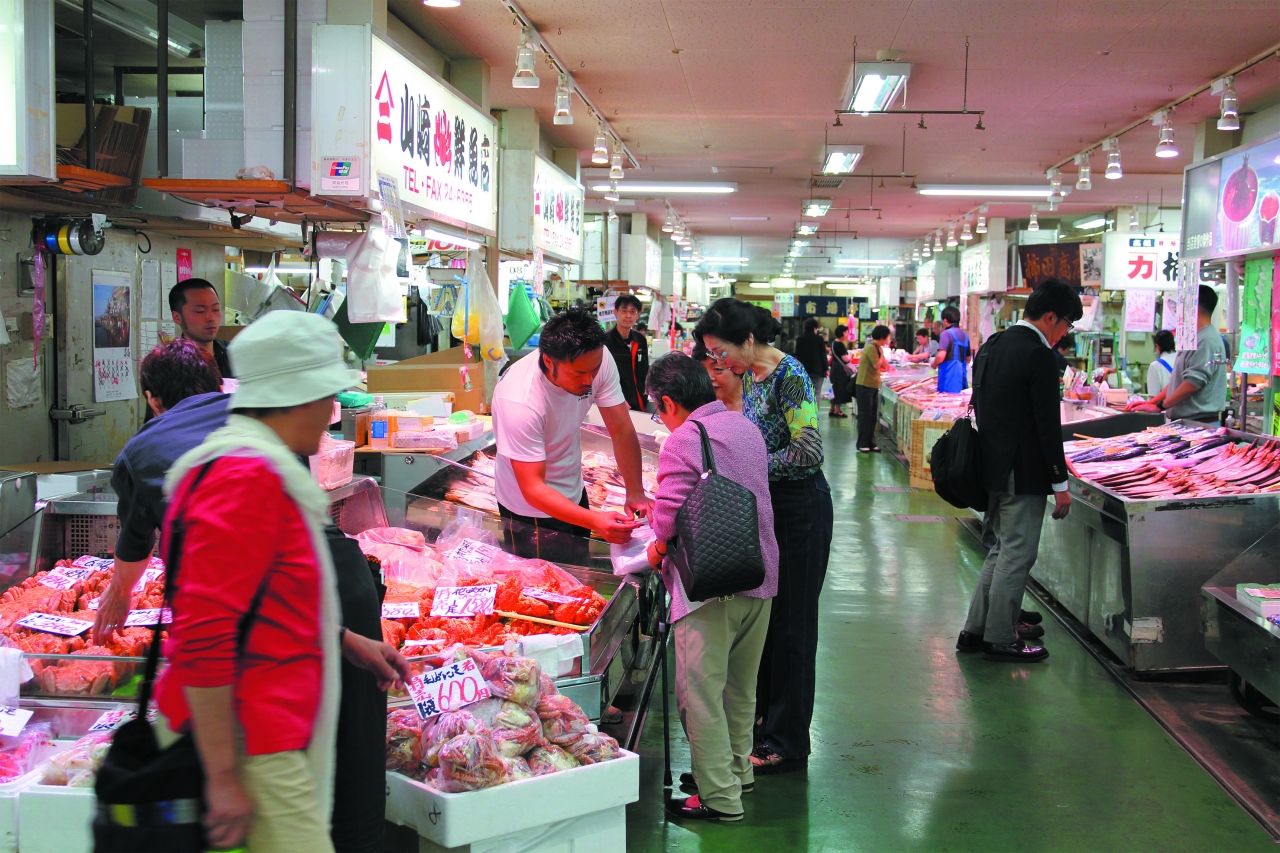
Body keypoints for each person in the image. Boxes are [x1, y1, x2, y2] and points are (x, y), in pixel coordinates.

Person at [95, 336, 399, 853]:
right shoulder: (241, 478)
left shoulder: (268, 465)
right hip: (250, 740)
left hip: (271, 730)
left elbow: (260, 599)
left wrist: (343, 639)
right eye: (324, 397)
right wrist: (222, 777)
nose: (331, 413)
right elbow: (204, 637)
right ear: (289, 396)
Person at [694, 298, 832, 777]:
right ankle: (765, 725)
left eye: (720, 352)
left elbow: (808, 451)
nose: (717, 364)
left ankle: (787, 742)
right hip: (770, 508)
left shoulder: (789, 375)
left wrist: (748, 468)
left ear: (748, 341)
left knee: (793, 627)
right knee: (768, 625)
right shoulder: (750, 378)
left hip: (800, 510)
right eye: (710, 355)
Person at [643, 354, 779, 823]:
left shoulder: (683, 439)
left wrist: (654, 551)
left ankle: (720, 798)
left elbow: (667, 520)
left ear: (666, 402)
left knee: (699, 694)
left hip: (710, 583)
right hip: (757, 573)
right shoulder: (744, 426)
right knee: (740, 690)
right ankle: (735, 773)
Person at [957, 278, 1082, 664]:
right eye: (1065, 324)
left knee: (999, 549)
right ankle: (999, 637)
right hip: (1022, 471)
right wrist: (1060, 483)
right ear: (1049, 317)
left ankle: (975, 630)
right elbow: (1047, 426)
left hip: (992, 467)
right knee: (1017, 553)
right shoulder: (1038, 355)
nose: (1064, 334)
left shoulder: (993, 345)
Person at [492, 308, 654, 566]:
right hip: (529, 511)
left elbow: (621, 429)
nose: (590, 380)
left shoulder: (595, 358)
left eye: (594, 370)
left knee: (579, 572)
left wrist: (634, 492)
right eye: (579, 374)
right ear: (548, 361)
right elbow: (533, 488)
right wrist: (594, 521)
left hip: (573, 490)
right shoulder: (519, 400)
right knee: (541, 589)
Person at [1127, 286, 1226, 423]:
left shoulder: (1206, 340)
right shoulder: (1194, 338)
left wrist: (1161, 406)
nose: (1178, 311)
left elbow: (1192, 383)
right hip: (1187, 422)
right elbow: (1178, 382)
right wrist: (1153, 403)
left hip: (1199, 424)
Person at [169, 278, 233, 379]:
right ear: (177, 317)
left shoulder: (236, 353)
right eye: (200, 311)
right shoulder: (168, 365)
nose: (211, 318)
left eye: (215, 309)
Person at [604, 294, 650, 412]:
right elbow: (601, 378)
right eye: (624, 311)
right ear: (616, 312)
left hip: (641, 403)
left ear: (638, 315)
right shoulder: (605, 341)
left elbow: (645, 372)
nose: (628, 315)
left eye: (632, 312)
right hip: (617, 405)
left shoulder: (640, 340)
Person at [855, 325, 891, 452]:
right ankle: (862, 443)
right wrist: (882, 355)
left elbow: (885, 365)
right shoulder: (871, 348)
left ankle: (871, 442)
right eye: (887, 336)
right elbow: (876, 365)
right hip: (864, 386)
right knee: (865, 416)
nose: (888, 339)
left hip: (873, 386)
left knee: (872, 416)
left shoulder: (878, 348)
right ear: (882, 337)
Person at [693, 342, 743, 411]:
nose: (708, 377)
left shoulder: (755, 405)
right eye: (702, 369)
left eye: (718, 369)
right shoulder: (699, 407)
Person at [931, 306, 971, 393]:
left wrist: (933, 364)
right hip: (962, 379)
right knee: (960, 405)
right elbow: (968, 359)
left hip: (949, 380)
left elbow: (940, 356)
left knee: (947, 405)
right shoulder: (965, 336)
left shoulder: (946, 334)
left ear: (945, 321)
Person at [793, 318, 828, 403]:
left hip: (803, 370)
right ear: (814, 328)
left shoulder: (799, 339)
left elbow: (797, 354)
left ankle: (805, 413)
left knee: (804, 391)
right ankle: (815, 414)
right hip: (817, 370)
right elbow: (823, 355)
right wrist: (826, 369)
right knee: (816, 392)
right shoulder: (819, 339)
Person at [828, 325, 853, 418]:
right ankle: (837, 410)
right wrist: (850, 356)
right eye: (846, 332)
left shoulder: (834, 342)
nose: (847, 334)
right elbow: (846, 359)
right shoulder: (840, 344)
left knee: (834, 387)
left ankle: (832, 408)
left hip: (834, 366)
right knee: (839, 388)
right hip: (840, 368)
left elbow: (831, 353)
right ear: (842, 333)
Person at [1146, 330, 1176, 397]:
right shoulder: (1183, 359)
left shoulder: (1155, 366)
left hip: (1166, 406)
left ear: (1157, 346)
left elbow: (1153, 396)